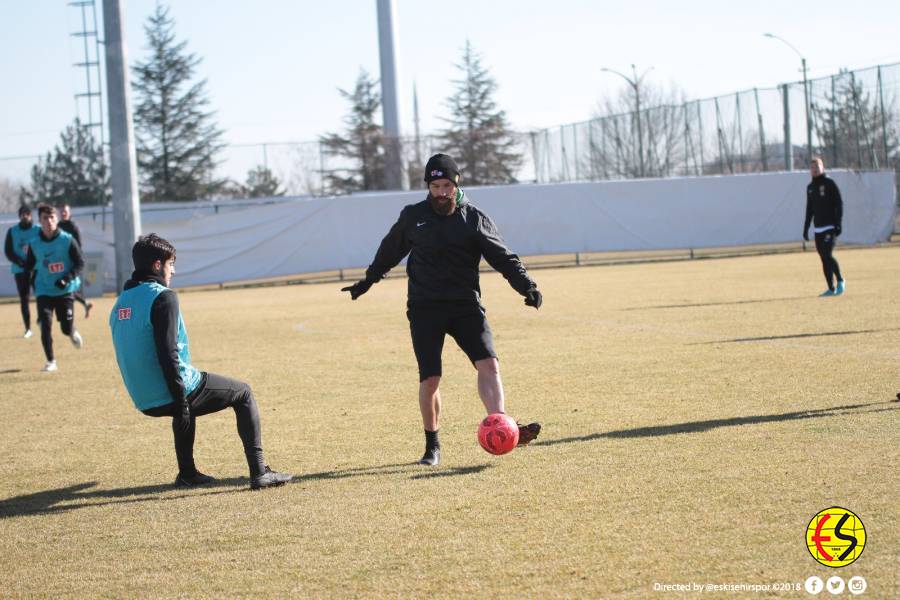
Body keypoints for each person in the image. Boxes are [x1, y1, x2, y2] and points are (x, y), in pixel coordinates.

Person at [342, 153, 543, 466]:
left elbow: (503, 257)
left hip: (465, 306)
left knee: (488, 365)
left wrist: (526, 286)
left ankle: (500, 426)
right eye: (435, 186)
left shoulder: (474, 218)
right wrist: (367, 282)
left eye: (447, 185)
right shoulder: (413, 216)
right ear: (428, 186)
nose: (441, 192)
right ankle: (432, 446)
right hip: (425, 309)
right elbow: (388, 252)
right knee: (431, 379)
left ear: (457, 183)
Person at [109, 233, 292, 490]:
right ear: (157, 265)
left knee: (185, 397)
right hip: (169, 390)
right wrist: (180, 398)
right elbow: (167, 353)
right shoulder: (163, 297)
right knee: (244, 393)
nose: (174, 270)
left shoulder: (120, 303)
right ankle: (260, 472)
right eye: (171, 264)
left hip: (142, 397)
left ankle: (187, 473)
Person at [24, 204, 84, 372]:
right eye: (45, 218)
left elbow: (80, 263)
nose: (49, 221)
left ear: (57, 219)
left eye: (52, 217)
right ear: (40, 221)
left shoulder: (67, 240)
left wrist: (66, 278)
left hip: (65, 291)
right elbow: (28, 267)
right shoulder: (34, 244)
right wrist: (27, 281)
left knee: (65, 328)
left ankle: (71, 330)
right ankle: (51, 361)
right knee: (45, 323)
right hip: (44, 291)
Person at [803, 157, 845, 297]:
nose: (815, 170)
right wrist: (806, 227)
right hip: (818, 229)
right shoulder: (810, 188)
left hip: (830, 227)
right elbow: (810, 209)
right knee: (823, 257)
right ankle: (830, 288)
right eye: (812, 167)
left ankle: (840, 280)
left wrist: (838, 223)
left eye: (817, 167)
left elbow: (839, 204)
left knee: (827, 254)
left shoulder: (829, 183)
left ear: (823, 167)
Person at [4, 205, 40, 338]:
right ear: (19, 216)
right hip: (20, 270)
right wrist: (21, 262)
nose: (25, 216)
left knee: (42, 296)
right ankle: (28, 328)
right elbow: (8, 251)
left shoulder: (38, 230)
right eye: (22, 214)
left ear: (31, 215)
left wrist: (33, 262)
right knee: (24, 299)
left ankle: (42, 319)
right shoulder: (12, 231)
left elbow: (43, 246)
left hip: (37, 269)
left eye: (27, 213)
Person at [58, 203, 94, 318]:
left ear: (69, 213)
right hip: (59, 262)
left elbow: (79, 245)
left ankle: (68, 314)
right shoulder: (56, 226)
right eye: (62, 211)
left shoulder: (73, 227)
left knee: (69, 286)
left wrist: (76, 260)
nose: (63, 213)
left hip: (71, 262)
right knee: (68, 286)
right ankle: (85, 304)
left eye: (65, 211)